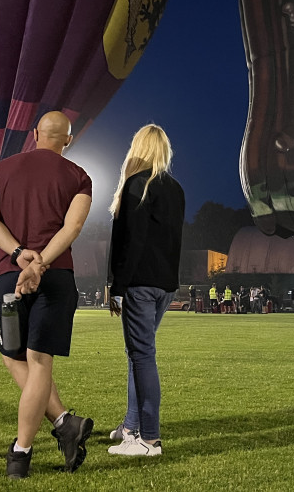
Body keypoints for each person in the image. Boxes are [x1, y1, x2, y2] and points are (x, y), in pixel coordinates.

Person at [0, 111, 94, 479]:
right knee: (38, 361)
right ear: (68, 141)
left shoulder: (1, 169)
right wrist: (41, 263)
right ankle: (61, 425)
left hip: (8, 276)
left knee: (14, 358)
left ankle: (23, 451)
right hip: (57, 275)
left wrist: (19, 255)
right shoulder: (79, 176)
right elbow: (72, 226)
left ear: (34, 134)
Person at [106, 124, 184, 457]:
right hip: (165, 283)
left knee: (142, 356)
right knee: (138, 355)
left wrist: (117, 286)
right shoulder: (175, 188)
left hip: (140, 283)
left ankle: (149, 439)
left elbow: (131, 241)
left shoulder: (137, 185)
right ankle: (130, 425)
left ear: (137, 149)